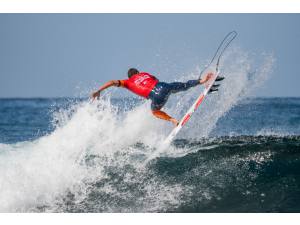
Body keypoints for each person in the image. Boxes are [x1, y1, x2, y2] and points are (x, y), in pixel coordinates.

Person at [91, 68, 214, 126]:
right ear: (138, 73)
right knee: (183, 85)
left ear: (129, 77)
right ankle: (202, 80)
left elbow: (112, 82)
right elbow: (155, 79)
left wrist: (98, 91)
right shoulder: (144, 73)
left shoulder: (127, 82)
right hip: (164, 86)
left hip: (155, 96)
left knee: (154, 111)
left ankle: (172, 120)